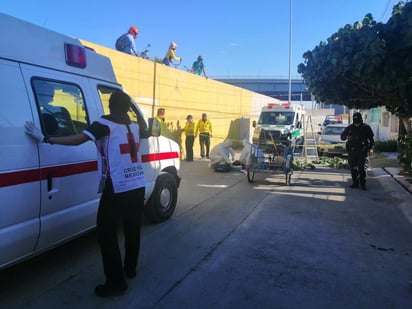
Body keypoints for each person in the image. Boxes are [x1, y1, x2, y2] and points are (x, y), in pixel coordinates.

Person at [25, 90, 146, 297]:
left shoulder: (104, 124)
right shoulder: (134, 126)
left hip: (118, 186)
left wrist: (46, 138)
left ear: (110, 105)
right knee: (132, 228)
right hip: (138, 183)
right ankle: (130, 269)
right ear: (127, 108)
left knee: (106, 233)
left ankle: (116, 282)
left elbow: (78, 139)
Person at [340, 112, 374, 190]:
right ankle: (355, 182)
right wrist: (346, 137)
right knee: (353, 168)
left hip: (363, 151)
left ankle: (363, 184)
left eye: (357, 118)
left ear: (360, 118)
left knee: (362, 168)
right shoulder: (349, 128)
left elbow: (371, 140)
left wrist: (371, 148)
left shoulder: (366, 127)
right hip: (352, 151)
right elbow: (342, 137)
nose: (356, 120)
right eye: (354, 118)